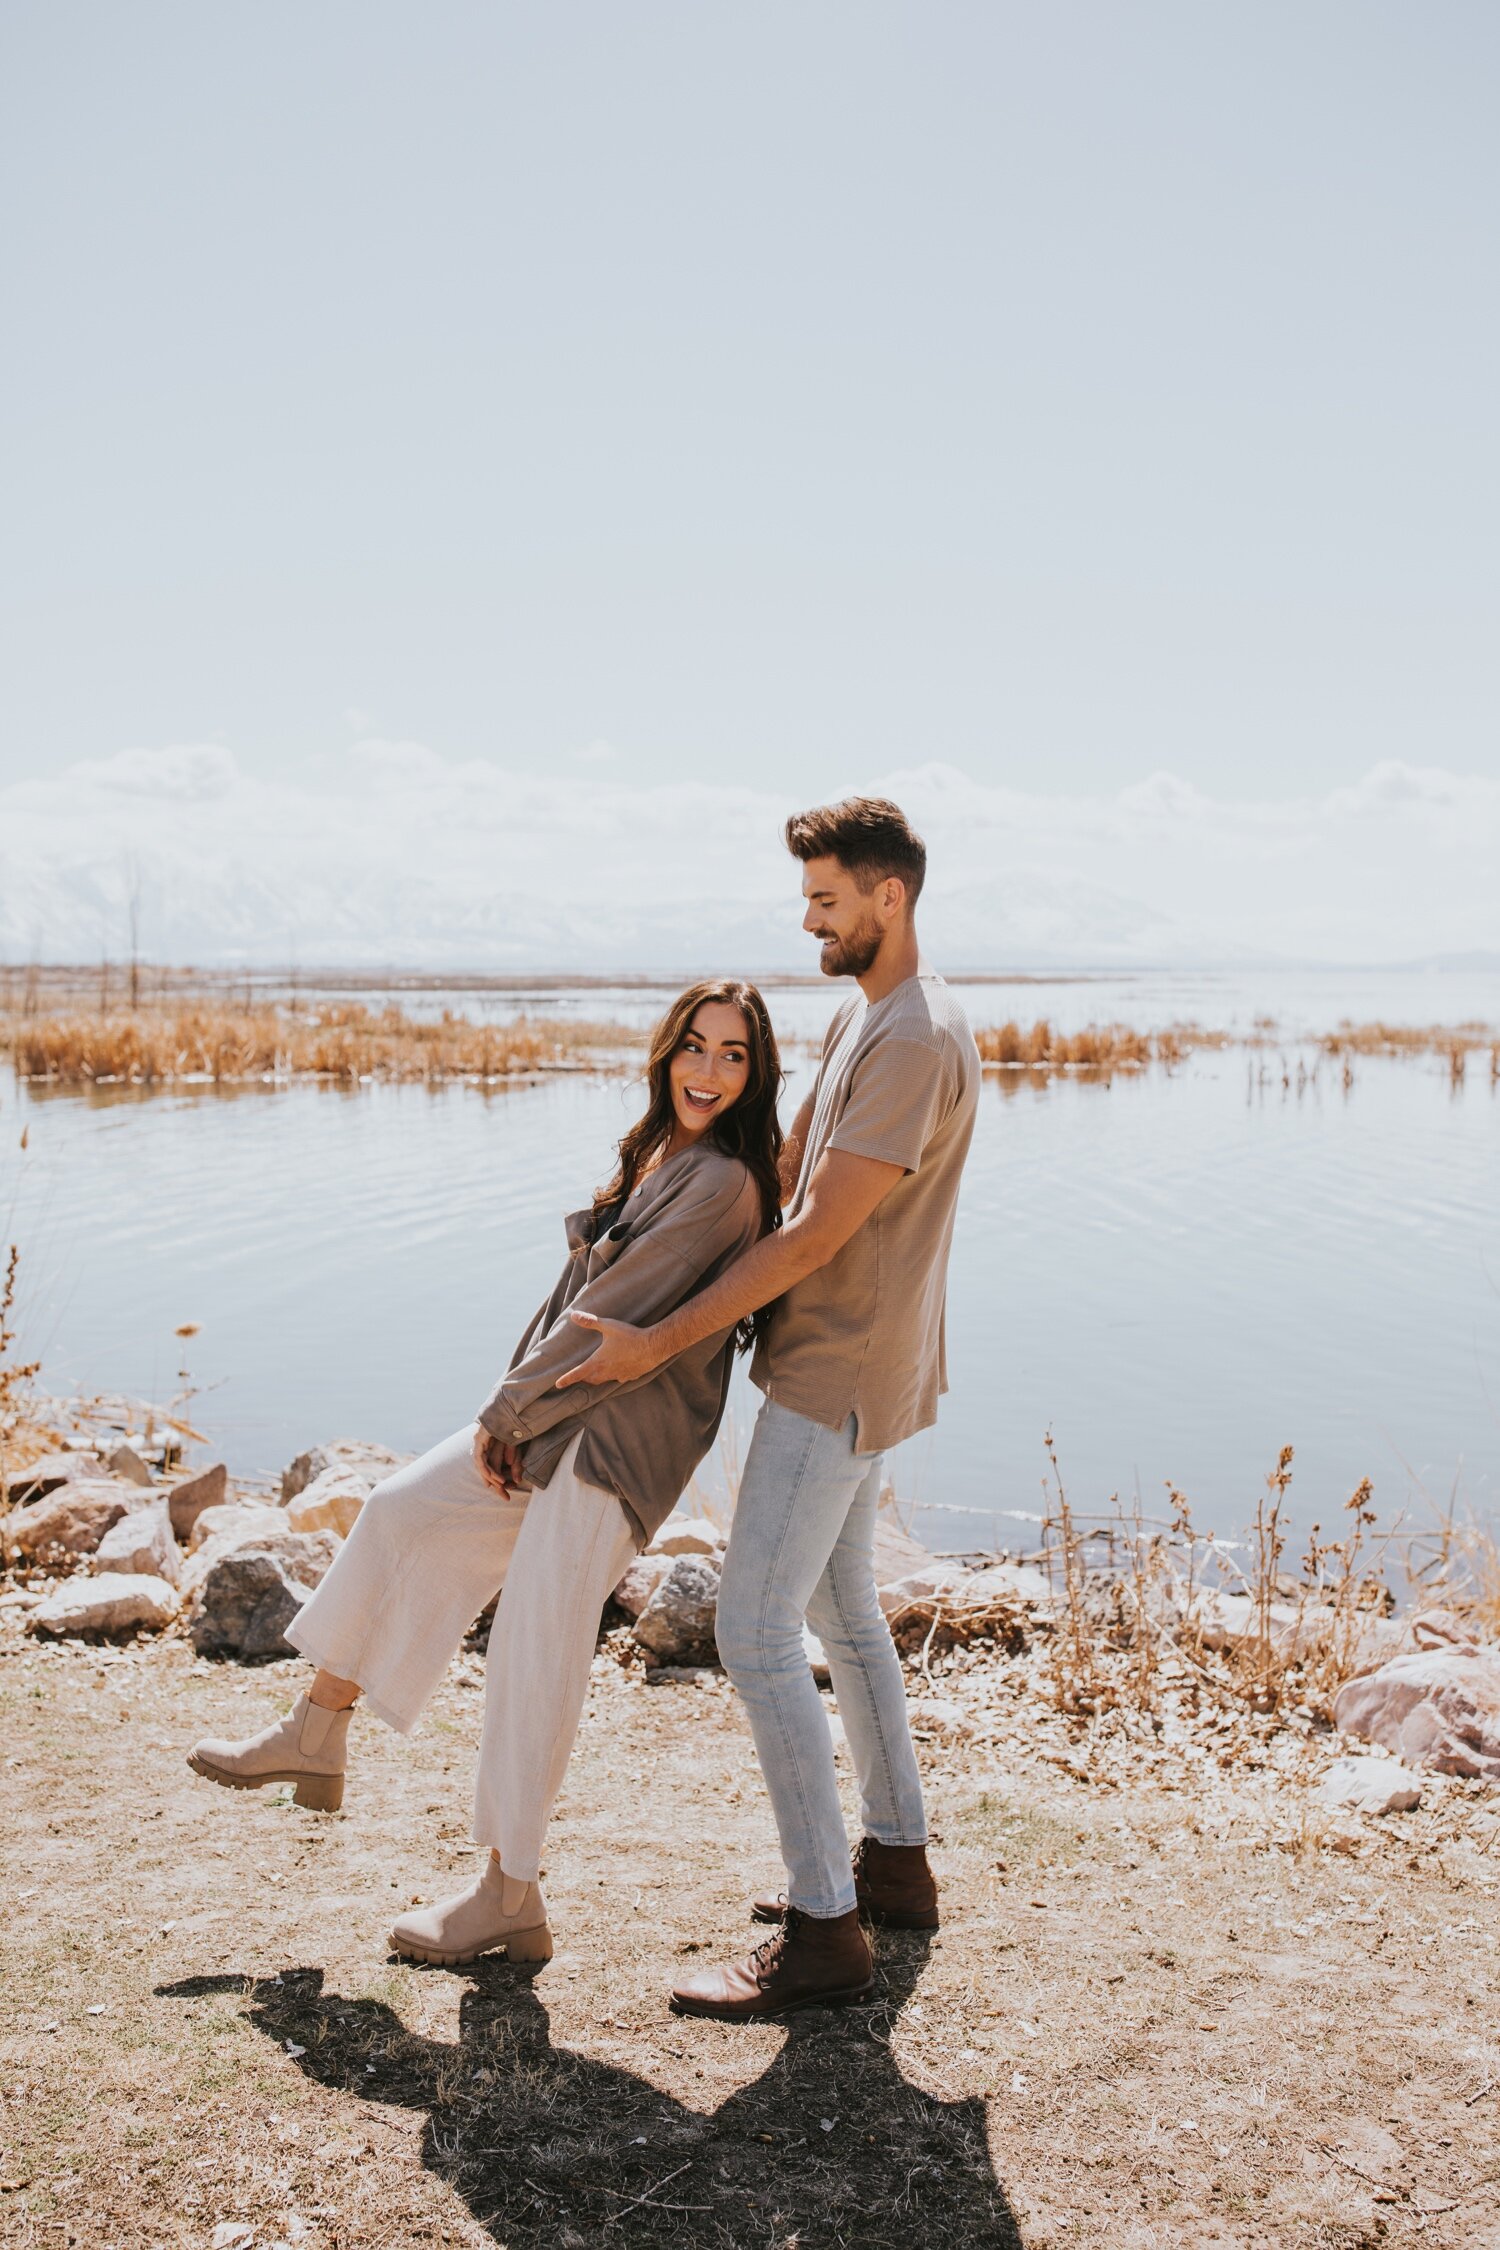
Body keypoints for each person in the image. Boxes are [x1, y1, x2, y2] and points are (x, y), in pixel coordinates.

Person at [185, 980, 782, 1969]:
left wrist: (511, 1409)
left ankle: (510, 1894)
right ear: (666, 1051)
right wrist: (505, 1409)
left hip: (616, 1446)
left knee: (534, 1655)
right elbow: (565, 1306)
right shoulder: (658, 1152)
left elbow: (614, 1314)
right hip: (557, 1420)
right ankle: (315, 1732)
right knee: (401, 1514)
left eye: (733, 1056)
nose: (709, 1071)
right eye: (695, 1046)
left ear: (755, 1077)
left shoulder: (722, 1182)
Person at [558, 796, 980, 2021]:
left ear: (887, 897)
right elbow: (786, 1176)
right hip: (867, 1365)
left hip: (835, 1372)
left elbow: (812, 1235)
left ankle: (822, 1933)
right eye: (808, 903)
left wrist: (654, 1342)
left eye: (828, 902)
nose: (811, 923)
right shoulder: (878, 1015)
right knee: (844, 1611)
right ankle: (893, 1864)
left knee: (751, 1630)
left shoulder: (909, 1039)